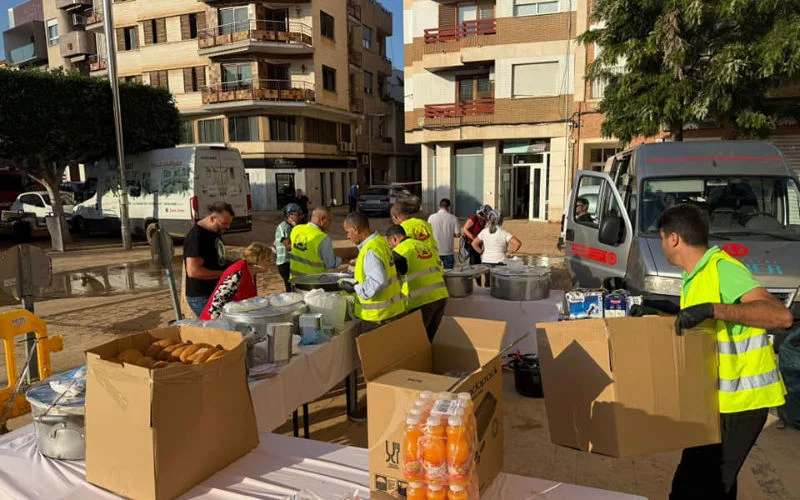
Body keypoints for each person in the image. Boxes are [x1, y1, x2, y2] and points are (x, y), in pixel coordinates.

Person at [658, 204, 790, 499]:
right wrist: (664, 310)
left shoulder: (723, 268)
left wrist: (711, 309)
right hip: (716, 399)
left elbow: (780, 316)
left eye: (662, 238)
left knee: (702, 484)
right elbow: (707, 323)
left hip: (743, 400)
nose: (662, 244)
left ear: (674, 239)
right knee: (705, 481)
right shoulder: (696, 275)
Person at [340, 212, 405, 330]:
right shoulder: (380, 243)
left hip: (378, 317)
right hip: (391, 311)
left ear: (355, 229)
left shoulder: (370, 250)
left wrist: (355, 288)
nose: (347, 237)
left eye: (347, 232)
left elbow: (378, 282)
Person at [386, 224, 449, 340]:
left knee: (415, 341)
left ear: (394, 239)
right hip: (440, 297)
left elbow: (390, 276)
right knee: (430, 339)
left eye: (390, 244)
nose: (391, 248)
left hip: (421, 301)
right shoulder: (425, 246)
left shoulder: (400, 251)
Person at [183, 202, 234, 318]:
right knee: (215, 331)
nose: (227, 227)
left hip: (215, 292)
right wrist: (225, 274)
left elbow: (216, 259)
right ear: (212, 218)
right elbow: (193, 271)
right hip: (202, 296)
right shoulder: (197, 236)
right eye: (224, 223)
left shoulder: (215, 232)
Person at [199, 242, 273, 320]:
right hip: (217, 322)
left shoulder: (251, 272)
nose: (270, 263)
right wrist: (216, 324)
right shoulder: (239, 272)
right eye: (267, 260)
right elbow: (219, 298)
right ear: (257, 260)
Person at [289, 206, 341, 279]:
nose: (330, 224)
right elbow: (330, 264)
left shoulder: (296, 229)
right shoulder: (323, 238)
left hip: (295, 281)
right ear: (322, 219)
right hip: (314, 283)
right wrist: (340, 259)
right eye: (329, 220)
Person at [275, 203, 303, 292]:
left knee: (293, 286)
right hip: (285, 263)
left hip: (289, 262)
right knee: (290, 287)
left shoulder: (290, 227)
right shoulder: (284, 227)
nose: (299, 217)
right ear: (290, 215)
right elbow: (288, 246)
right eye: (297, 214)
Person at [462, 205, 491, 285]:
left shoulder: (484, 220)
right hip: (472, 244)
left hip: (480, 244)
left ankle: (482, 283)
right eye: (486, 213)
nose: (487, 215)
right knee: (475, 265)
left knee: (482, 264)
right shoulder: (473, 218)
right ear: (483, 212)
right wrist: (473, 238)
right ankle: (478, 284)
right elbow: (464, 229)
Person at [427, 198, 460, 270]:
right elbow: (457, 234)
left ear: (439, 206)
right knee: (448, 274)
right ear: (449, 207)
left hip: (435, 250)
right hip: (448, 251)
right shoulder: (453, 218)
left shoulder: (431, 217)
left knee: (435, 273)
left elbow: (428, 232)